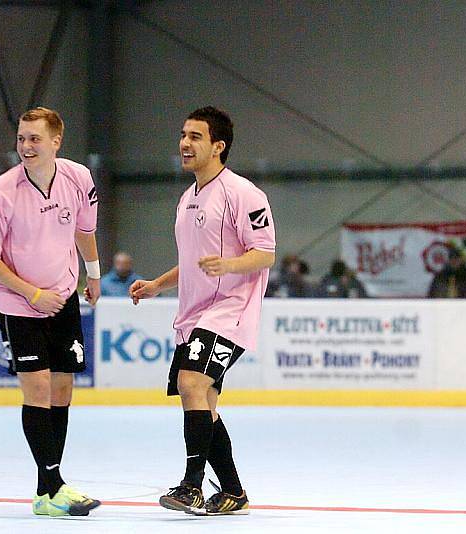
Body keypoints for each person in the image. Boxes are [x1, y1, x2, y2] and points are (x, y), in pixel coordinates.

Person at [130, 106, 276, 516]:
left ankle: (191, 487)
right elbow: (195, 259)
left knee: (190, 382)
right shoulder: (188, 197)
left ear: (218, 146)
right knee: (204, 400)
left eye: (195, 136)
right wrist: (159, 284)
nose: (184, 143)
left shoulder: (243, 193)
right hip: (194, 314)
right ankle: (232, 491)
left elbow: (265, 254)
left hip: (230, 311)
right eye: (183, 135)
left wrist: (229, 265)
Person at [0, 107, 101, 517]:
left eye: (35, 139)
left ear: (56, 141)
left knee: (63, 388)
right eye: (22, 138)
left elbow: (85, 229)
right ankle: (51, 487)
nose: (26, 146)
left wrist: (93, 273)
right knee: (39, 389)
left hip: (63, 296)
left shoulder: (78, 178)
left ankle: (51, 487)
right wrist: (32, 294)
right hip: (17, 303)